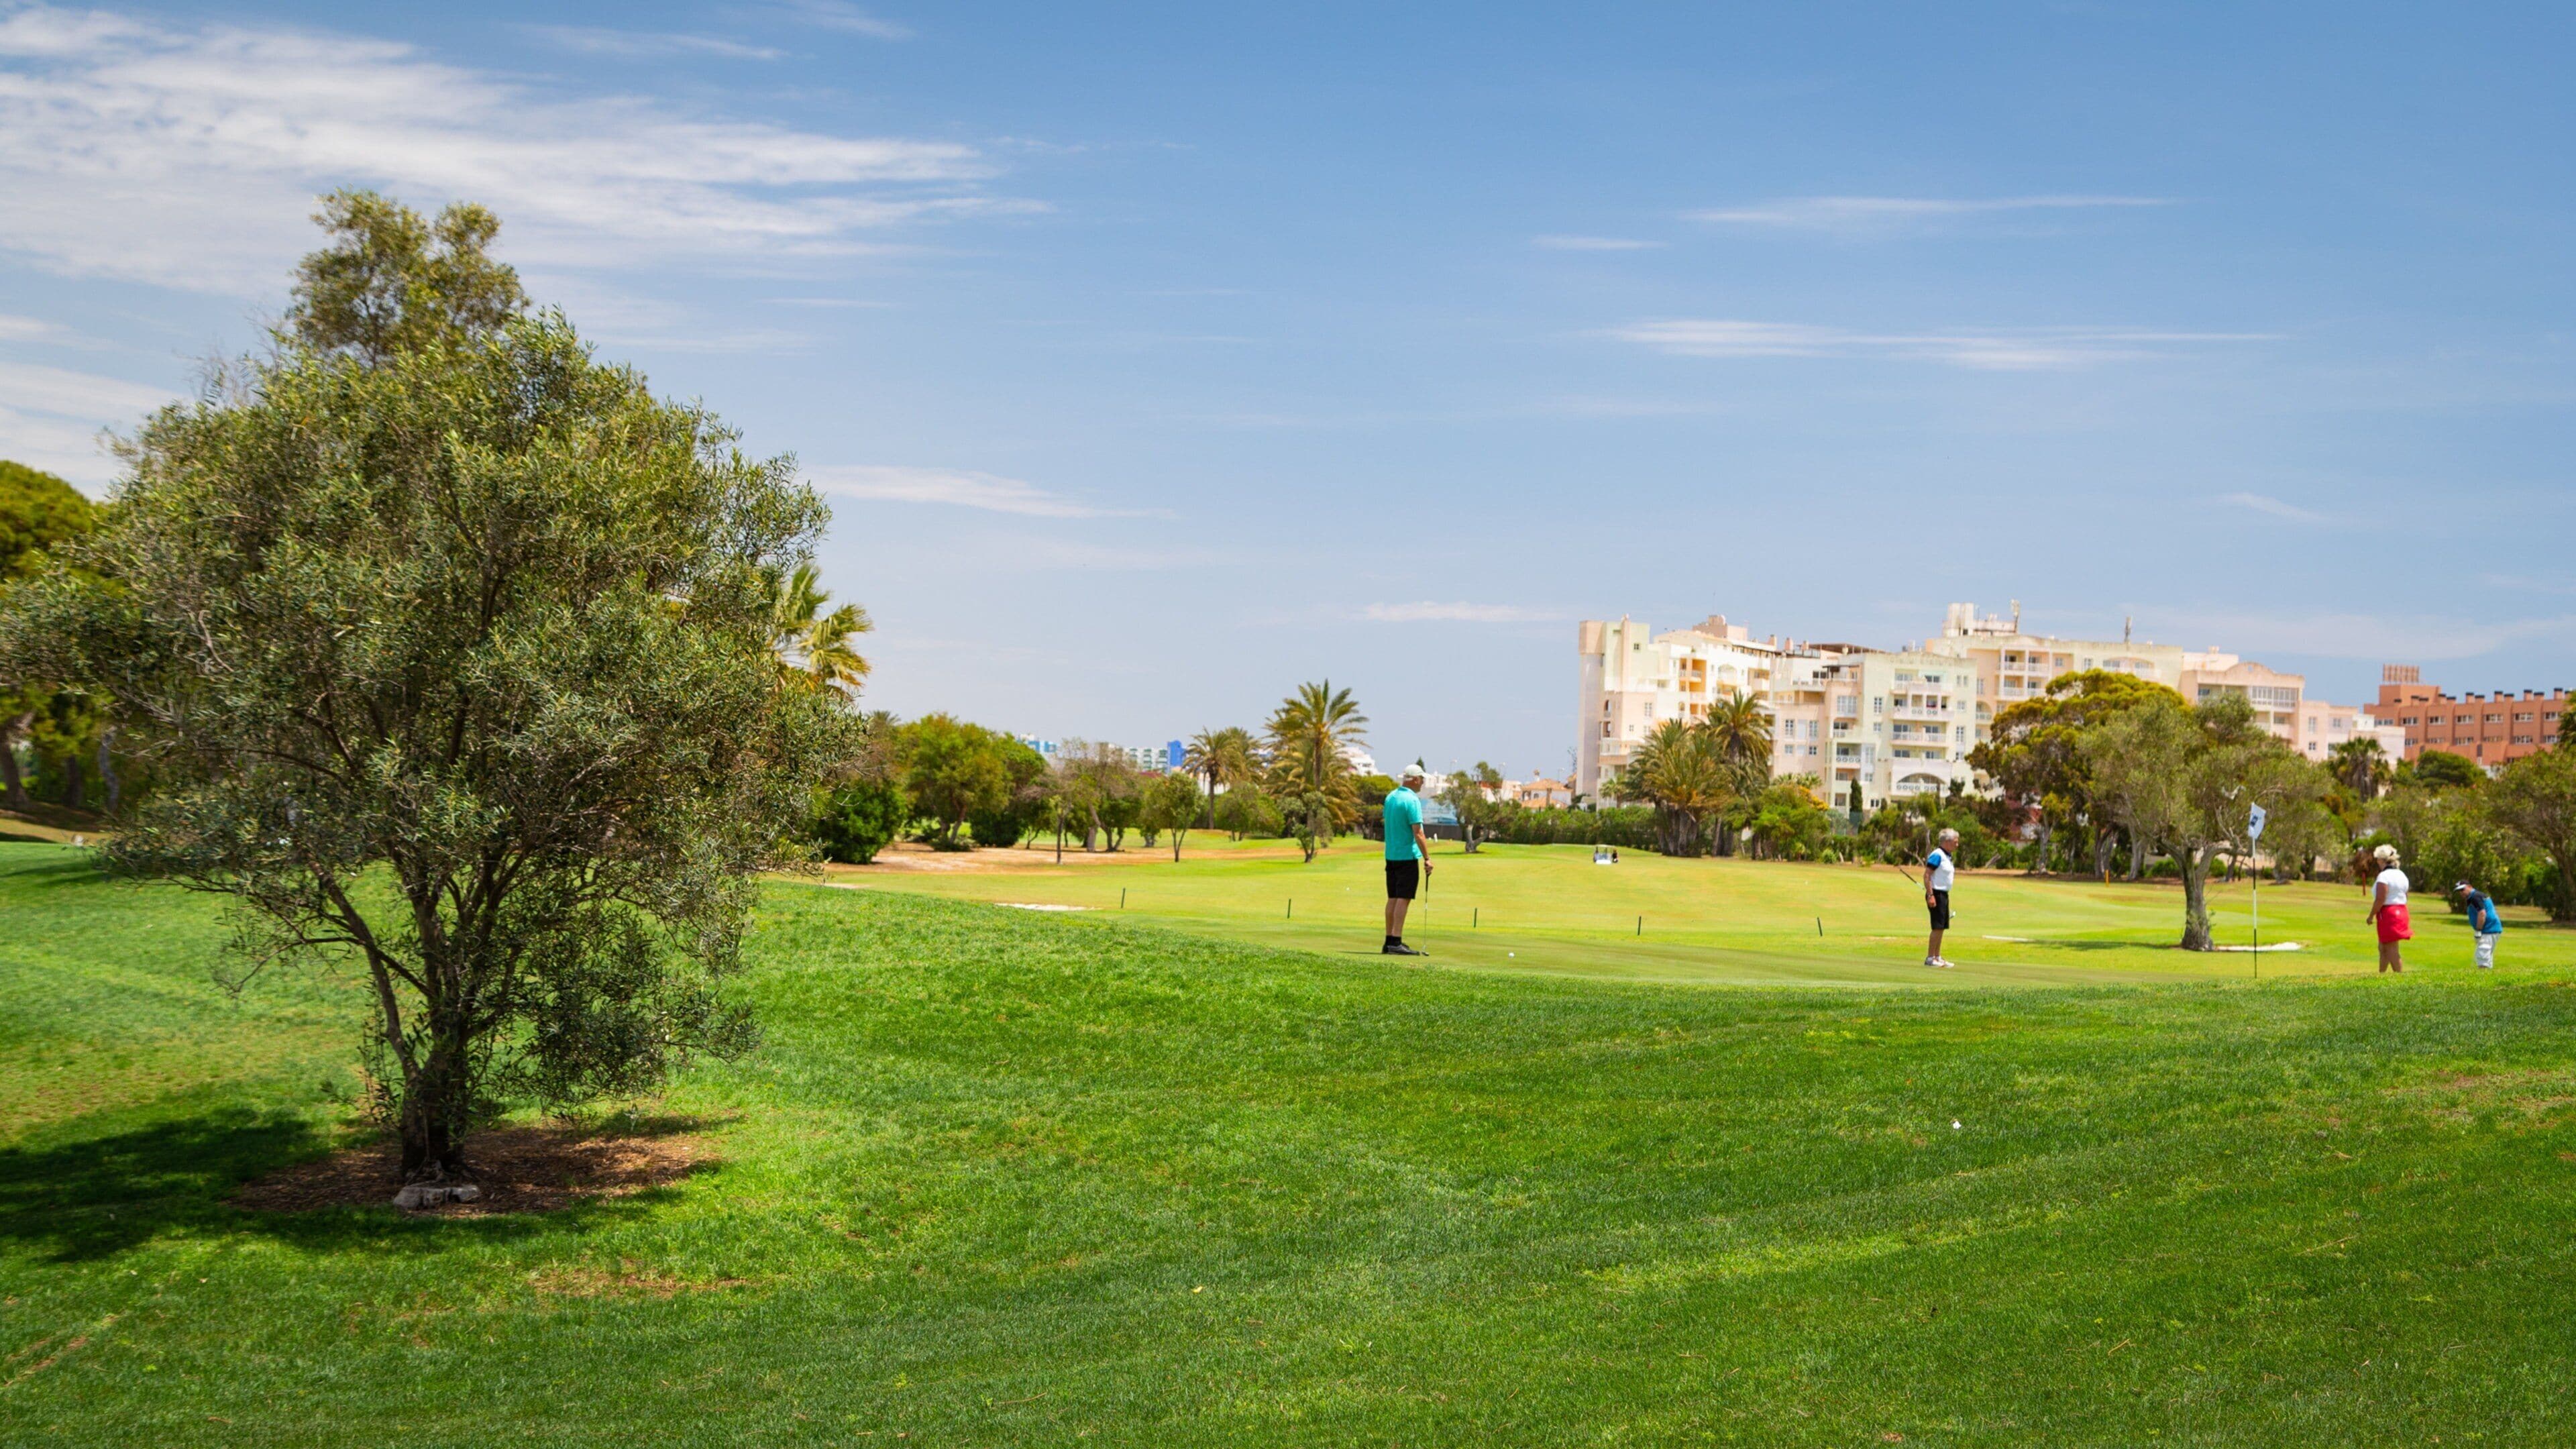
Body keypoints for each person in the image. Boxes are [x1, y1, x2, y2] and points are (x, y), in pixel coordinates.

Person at [1381, 767, 1434, 955]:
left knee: (1393, 898)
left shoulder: (1391, 797)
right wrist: (1427, 858)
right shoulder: (1412, 800)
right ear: (1414, 780)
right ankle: (1396, 941)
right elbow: (1418, 833)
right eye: (1421, 779)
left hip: (1391, 856)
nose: (1423, 782)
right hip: (1407, 857)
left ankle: (1389, 941)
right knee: (1404, 898)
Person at [2367, 843, 2410, 973]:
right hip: (2401, 911)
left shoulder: (2384, 876)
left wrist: (2371, 916)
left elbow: (2381, 898)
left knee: (2391, 948)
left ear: (2381, 860)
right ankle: (2382, 974)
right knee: (2383, 947)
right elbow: (2405, 895)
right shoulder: (2402, 875)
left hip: (2389, 913)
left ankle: (2399, 976)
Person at [1923, 827, 1960, 969]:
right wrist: (1930, 895)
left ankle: (1937, 957)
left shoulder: (1947, 856)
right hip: (1936, 894)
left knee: (1942, 927)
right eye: (1955, 842)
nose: (1957, 845)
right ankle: (1930, 958)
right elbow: (1927, 875)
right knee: (1937, 927)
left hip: (1944, 894)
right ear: (1947, 841)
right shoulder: (1937, 855)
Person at [2455, 880, 2504, 970]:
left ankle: (2482, 978)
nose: (2461, 893)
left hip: (2489, 929)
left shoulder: (2475, 897)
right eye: (2459, 891)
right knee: (2486, 955)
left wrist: (2478, 930)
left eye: (2463, 889)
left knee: (2483, 954)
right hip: (2491, 929)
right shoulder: (2474, 896)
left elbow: (2482, 913)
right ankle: (2486, 977)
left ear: (2469, 886)